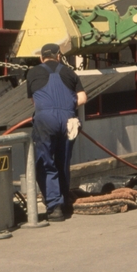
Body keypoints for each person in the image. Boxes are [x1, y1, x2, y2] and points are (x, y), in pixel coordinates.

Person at [26, 43, 87, 222]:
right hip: (69, 120)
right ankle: (65, 202)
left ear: (41, 58)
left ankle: (54, 207)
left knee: (46, 163)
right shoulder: (70, 72)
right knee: (63, 161)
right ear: (59, 56)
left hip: (45, 119)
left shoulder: (33, 73)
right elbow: (83, 98)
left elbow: (33, 101)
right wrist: (66, 108)